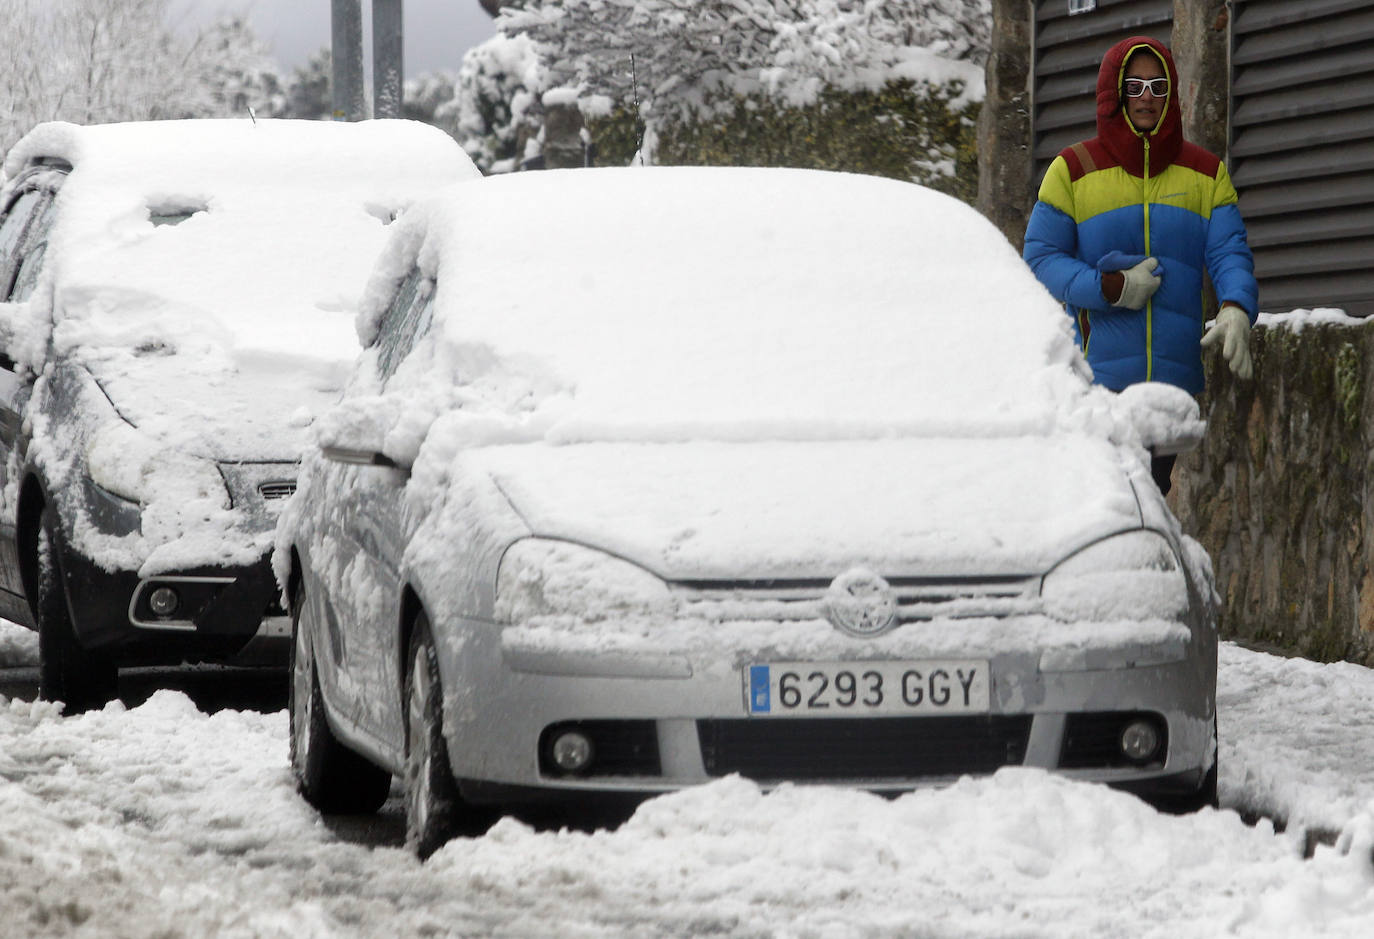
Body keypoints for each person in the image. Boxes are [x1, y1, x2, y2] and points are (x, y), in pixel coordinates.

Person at [1022, 35, 1258, 495]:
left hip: (1169, 386)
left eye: (1158, 86)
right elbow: (1040, 258)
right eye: (1134, 86)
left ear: (1171, 93)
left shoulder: (1206, 174)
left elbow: (1229, 251)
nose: (1147, 97)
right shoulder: (1073, 169)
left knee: (1149, 498)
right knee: (1104, 500)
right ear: (1114, 94)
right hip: (1095, 383)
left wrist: (1236, 306)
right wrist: (1108, 288)